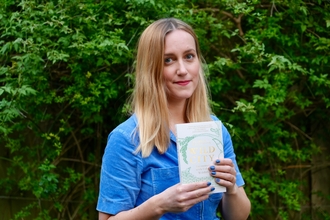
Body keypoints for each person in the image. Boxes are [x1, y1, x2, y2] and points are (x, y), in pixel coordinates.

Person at [97, 17, 251, 220]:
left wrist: (231, 188)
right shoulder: (127, 139)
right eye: (168, 60)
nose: (182, 70)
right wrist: (158, 205)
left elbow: (237, 217)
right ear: (151, 69)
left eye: (189, 56)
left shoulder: (213, 130)